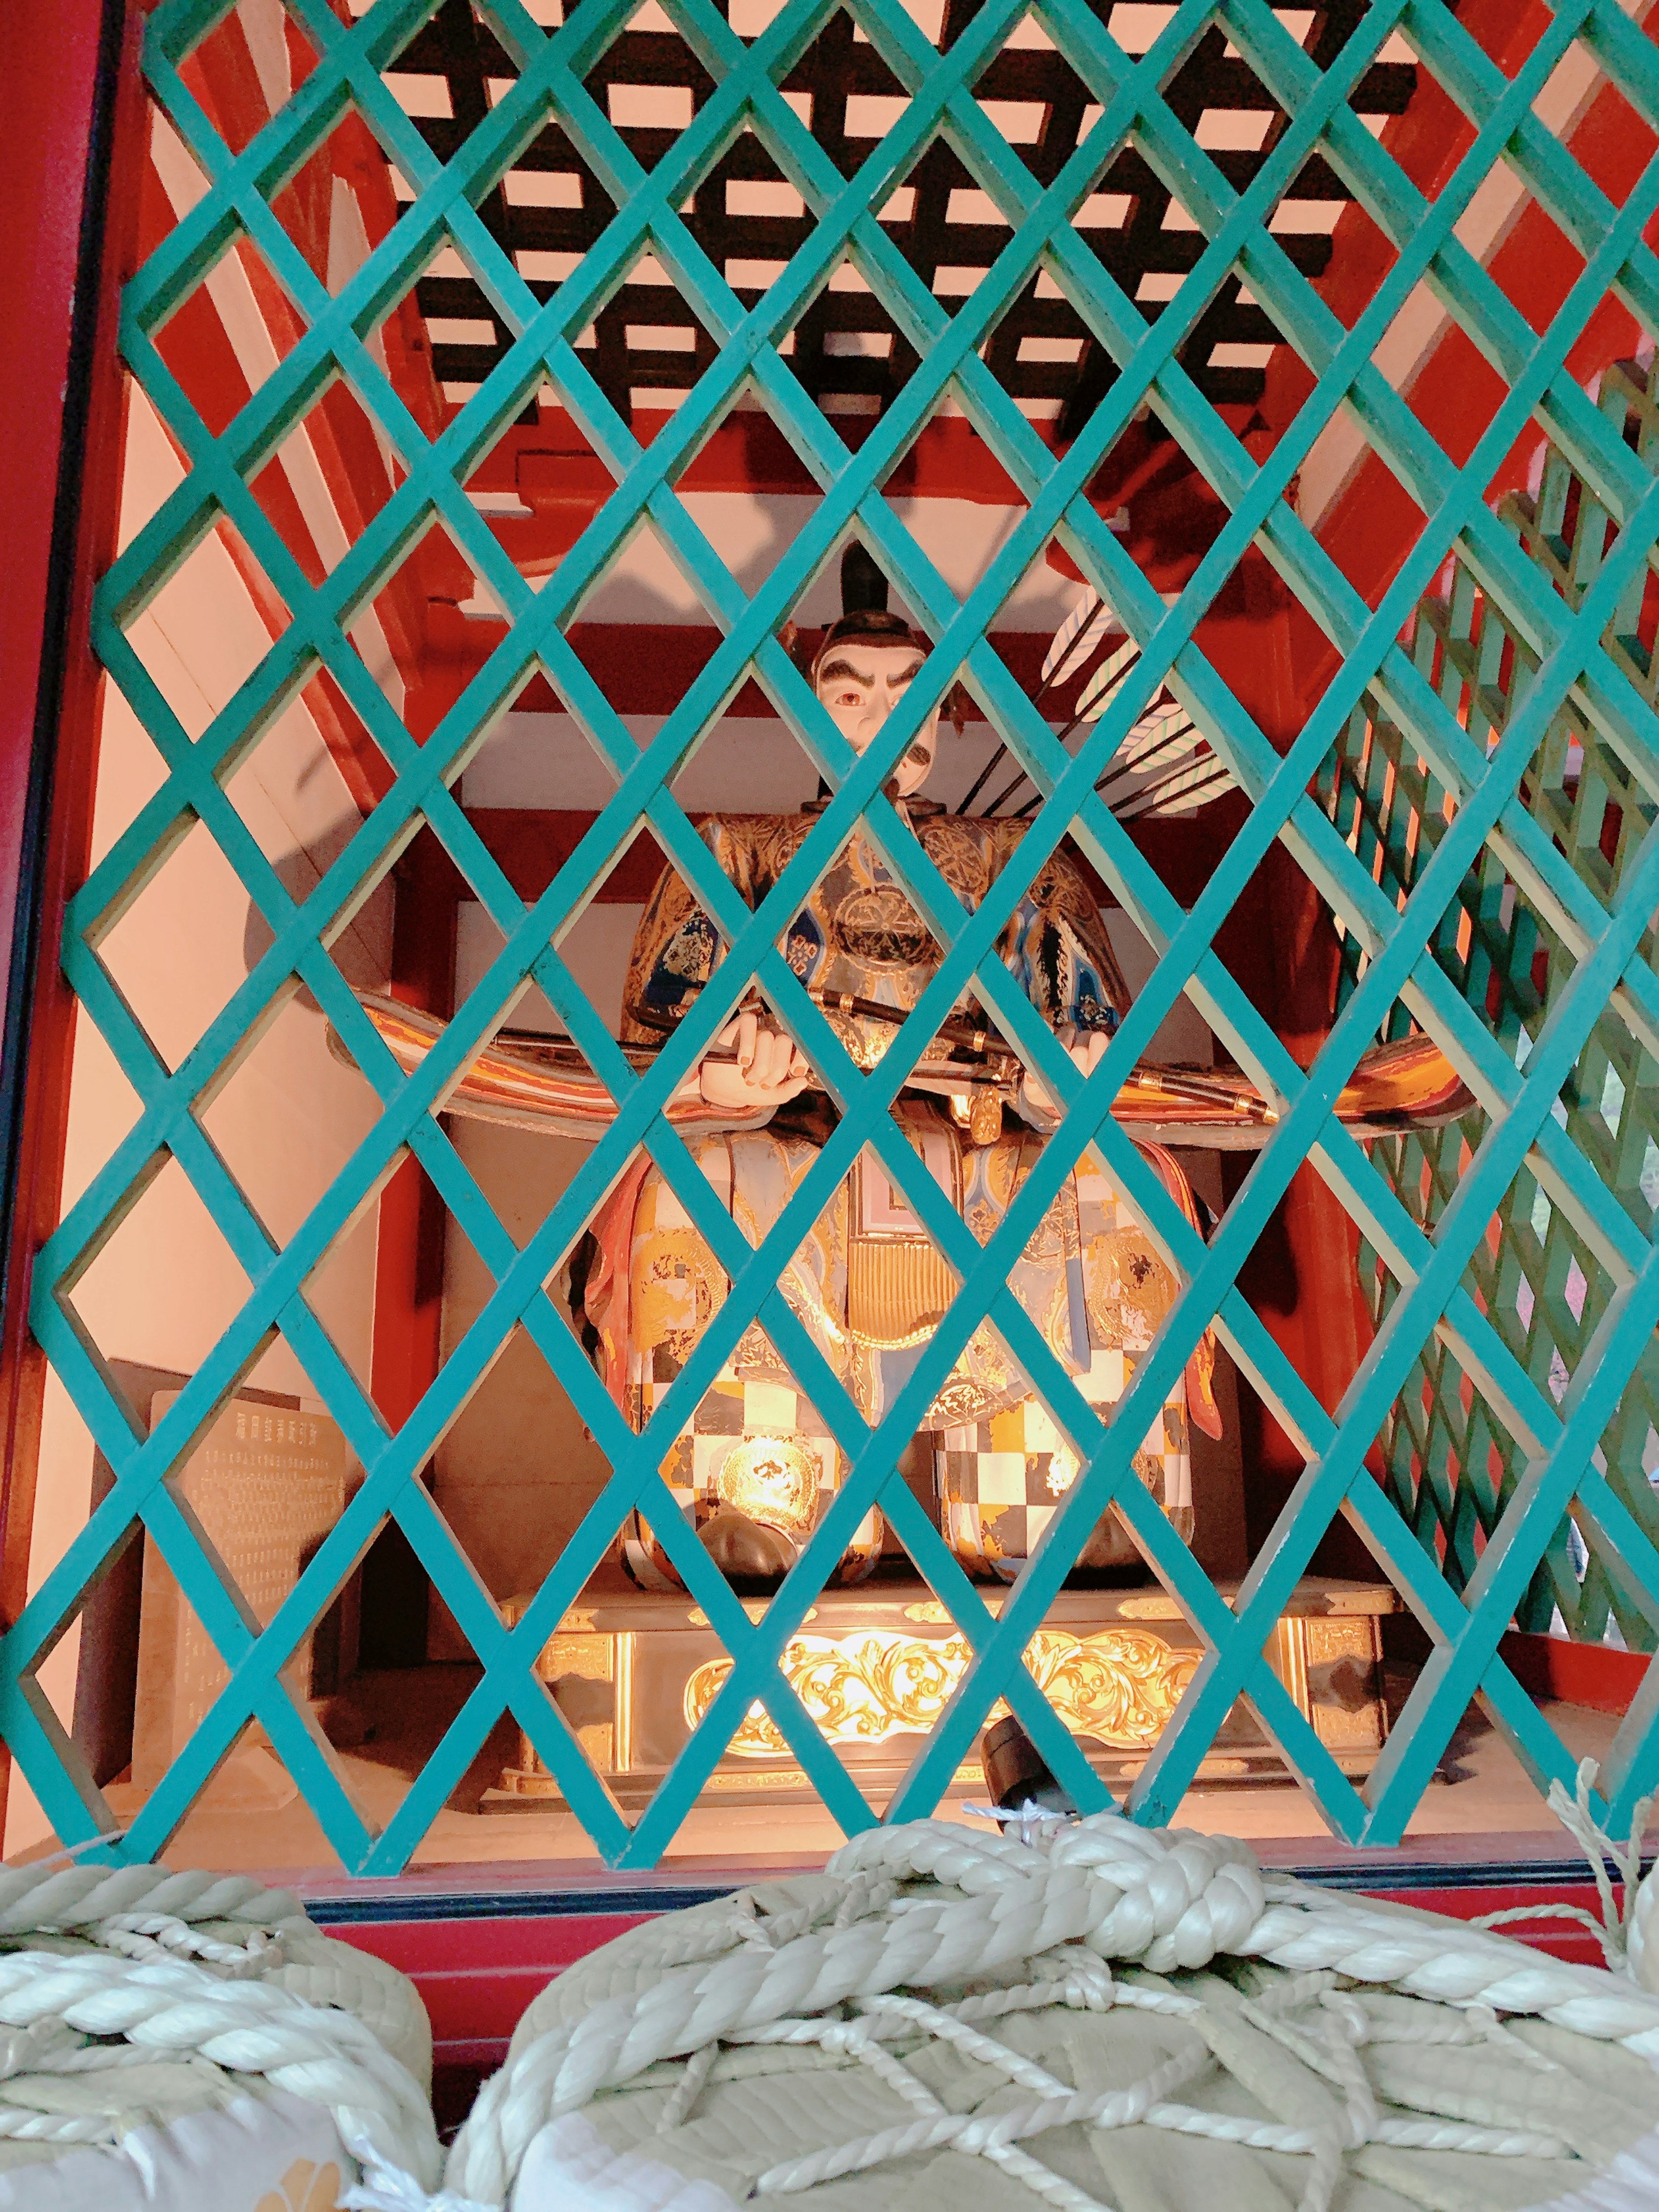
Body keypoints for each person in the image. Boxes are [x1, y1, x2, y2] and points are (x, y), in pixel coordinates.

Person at [564, 547, 1220, 1592]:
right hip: (791, 1148)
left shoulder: (1021, 856)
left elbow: (1088, 1023)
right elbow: (657, 1038)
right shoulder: (734, 851)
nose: (879, 718)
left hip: (989, 1150)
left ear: (950, 715)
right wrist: (723, 1081)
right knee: (702, 1189)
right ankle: (754, 1497)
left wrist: (1066, 1078)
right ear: (804, 712)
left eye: (908, 694)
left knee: (1111, 1184)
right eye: (849, 692)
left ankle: (1062, 1497)